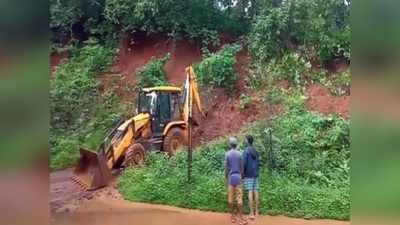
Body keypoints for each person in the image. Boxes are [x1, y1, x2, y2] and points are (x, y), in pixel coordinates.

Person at [225, 137, 247, 225]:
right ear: (236, 144)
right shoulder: (240, 154)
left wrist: (226, 177)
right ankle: (241, 218)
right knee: (239, 198)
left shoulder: (227, 154)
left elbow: (226, 168)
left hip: (231, 177)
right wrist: (242, 177)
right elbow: (242, 168)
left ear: (230, 145)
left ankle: (233, 217)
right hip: (238, 177)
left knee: (230, 199)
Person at [243, 135, 260, 220]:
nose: (244, 141)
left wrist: (243, 173)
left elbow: (244, 163)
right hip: (256, 174)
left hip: (248, 174)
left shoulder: (246, 151)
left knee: (250, 191)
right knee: (256, 191)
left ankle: (251, 212)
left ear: (247, 141)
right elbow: (258, 162)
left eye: (245, 139)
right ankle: (257, 211)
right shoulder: (255, 150)